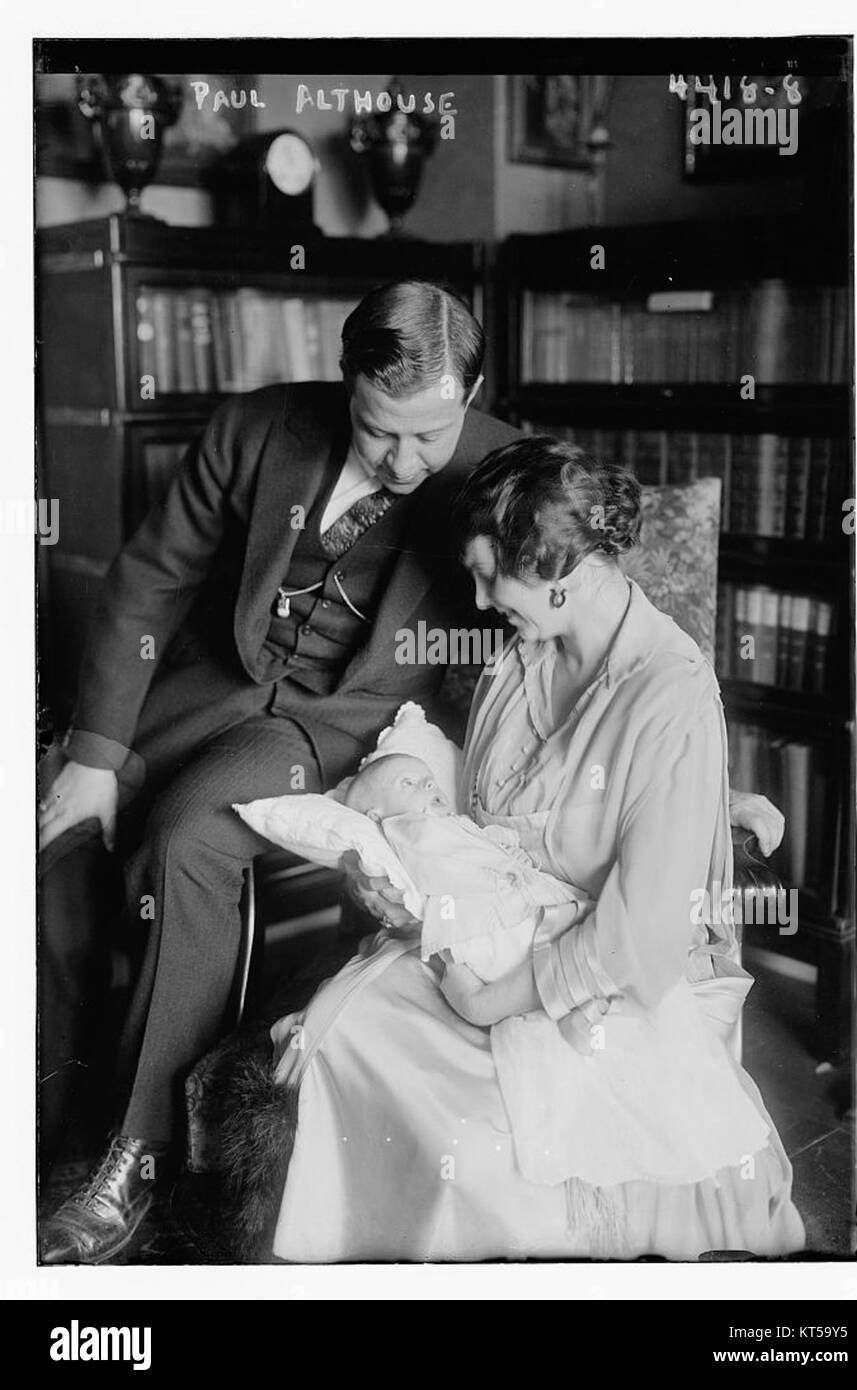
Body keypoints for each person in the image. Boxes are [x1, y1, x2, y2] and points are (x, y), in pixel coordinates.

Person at [38, 281, 782, 1265]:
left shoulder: (500, 475)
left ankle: (133, 1149)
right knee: (55, 832)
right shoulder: (259, 426)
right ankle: (40, 1104)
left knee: (184, 839)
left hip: (342, 725)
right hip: (206, 689)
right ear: (345, 382)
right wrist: (93, 755)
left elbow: (612, 629)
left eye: (431, 436)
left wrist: (698, 793)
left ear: (469, 398)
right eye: (380, 432)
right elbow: (149, 579)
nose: (404, 461)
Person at [267, 437, 805, 1262]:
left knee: (475, 1155)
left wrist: (490, 1000)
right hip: (494, 935)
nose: (479, 602)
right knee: (348, 1039)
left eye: (492, 576)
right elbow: (482, 824)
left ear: (562, 569)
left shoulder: (673, 689)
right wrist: (399, 877)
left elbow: (644, 933)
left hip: (603, 985)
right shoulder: (518, 661)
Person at [344, 751, 585, 981]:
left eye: (431, 780)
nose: (429, 784)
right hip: (499, 924)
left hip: (516, 910)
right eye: (407, 783)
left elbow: (479, 848)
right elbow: (451, 868)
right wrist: (503, 871)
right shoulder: (410, 830)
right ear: (376, 817)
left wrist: (508, 852)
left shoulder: (447, 825)